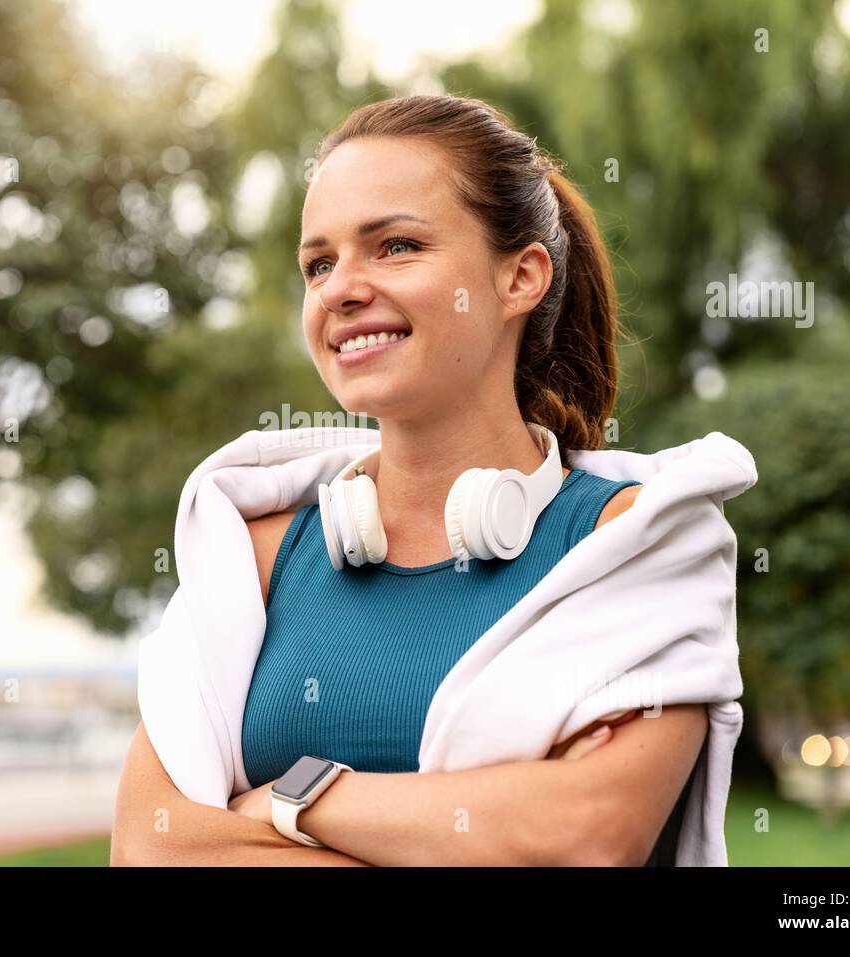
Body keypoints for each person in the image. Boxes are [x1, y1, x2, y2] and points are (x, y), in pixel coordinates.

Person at [112, 94, 708, 866]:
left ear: (521, 277)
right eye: (318, 263)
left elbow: (585, 836)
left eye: (394, 246)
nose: (340, 289)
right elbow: (153, 847)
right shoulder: (254, 553)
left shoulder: (637, 538)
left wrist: (297, 798)